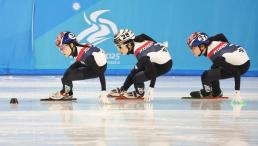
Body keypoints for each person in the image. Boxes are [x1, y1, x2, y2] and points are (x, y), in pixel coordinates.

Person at [109, 29, 172, 101]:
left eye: (120, 47)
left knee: (136, 77)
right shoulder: (136, 39)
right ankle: (123, 89)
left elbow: (153, 71)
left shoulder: (140, 53)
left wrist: (151, 88)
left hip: (164, 65)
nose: (119, 51)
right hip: (157, 59)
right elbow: (143, 35)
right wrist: (157, 45)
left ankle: (139, 93)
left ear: (129, 45)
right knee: (134, 71)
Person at [186, 32, 250, 101]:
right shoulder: (210, 41)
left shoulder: (216, 58)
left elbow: (236, 73)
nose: (192, 52)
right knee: (214, 68)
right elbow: (221, 35)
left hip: (241, 67)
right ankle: (217, 92)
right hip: (243, 58)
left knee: (205, 76)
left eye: (193, 48)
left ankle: (206, 93)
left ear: (202, 46)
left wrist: (237, 93)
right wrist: (227, 46)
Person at [49, 31, 110, 104]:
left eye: (63, 48)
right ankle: (67, 93)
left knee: (68, 77)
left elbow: (100, 72)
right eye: (60, 49)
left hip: (99, 67)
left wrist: (103, 92)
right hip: (87, 61)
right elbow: (80, 59)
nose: (62, 51)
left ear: (71, 45)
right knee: (66, 75)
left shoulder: (86, 56)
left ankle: (65, 93)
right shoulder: (77, 48)